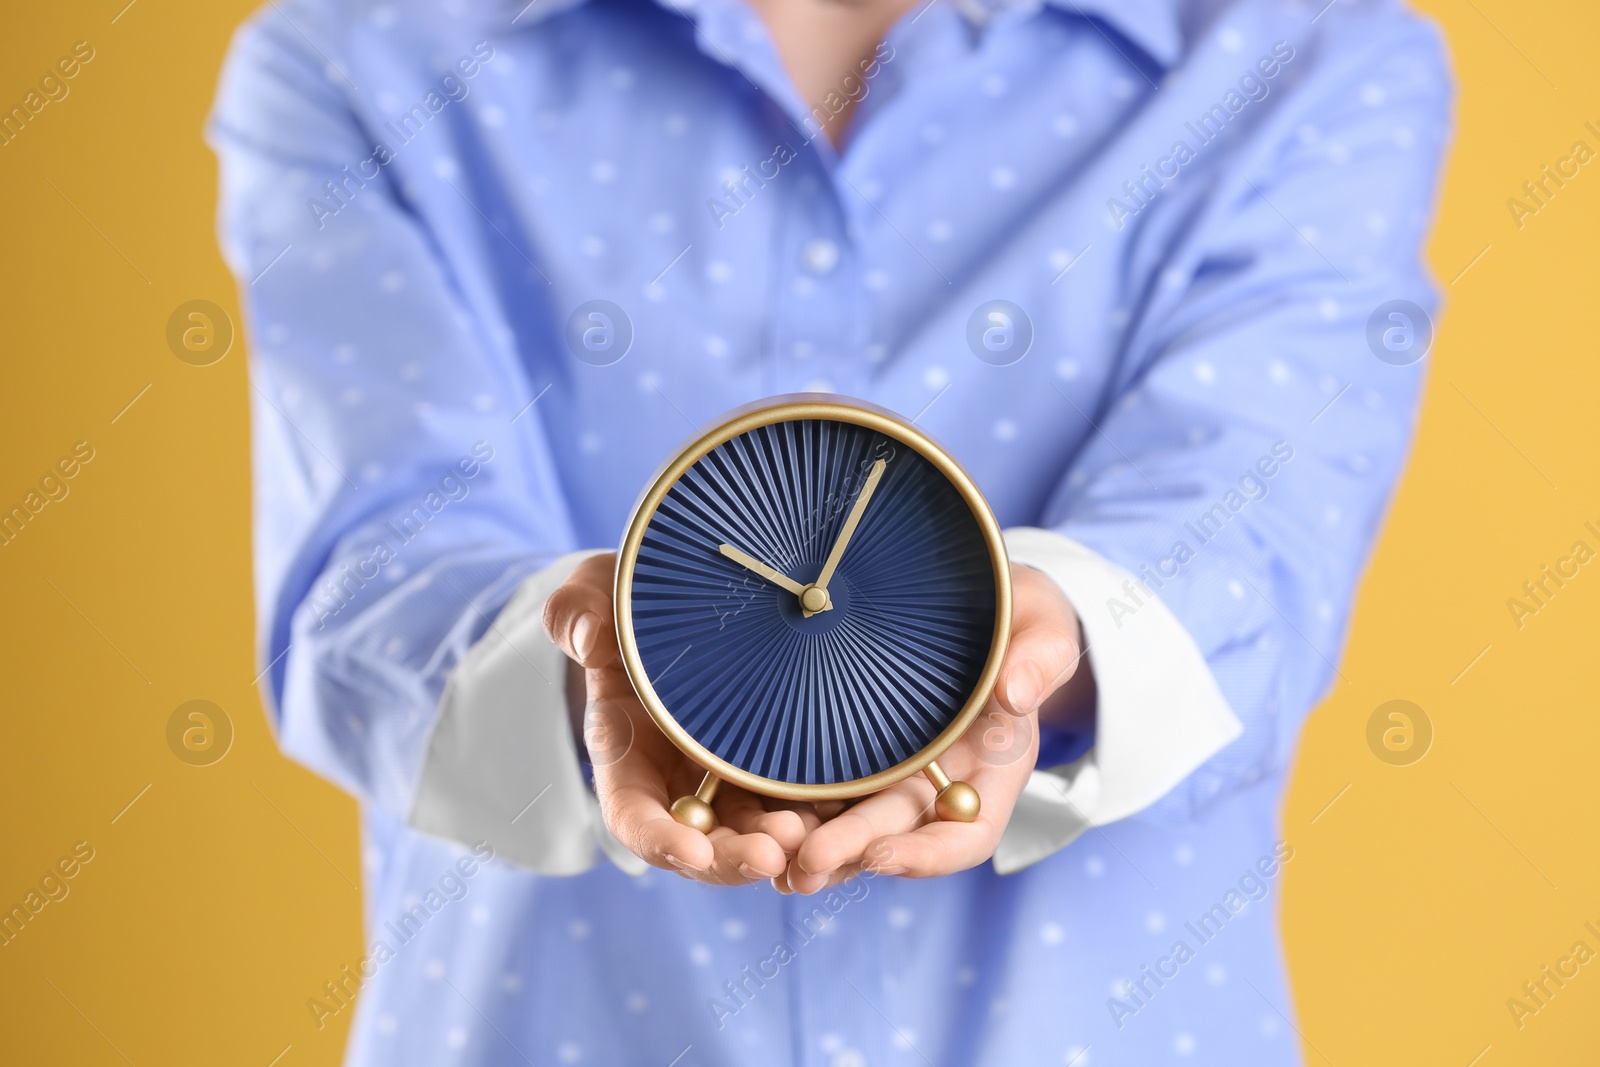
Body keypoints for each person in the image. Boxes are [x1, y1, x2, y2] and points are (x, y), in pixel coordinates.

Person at [208, 0, 1449, 1061]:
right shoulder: (366, 53)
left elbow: (1251, 530)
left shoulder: (1301, 54)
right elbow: (363, 584)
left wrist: (1039, 648)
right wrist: (598, 668)